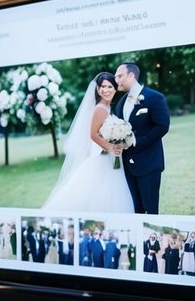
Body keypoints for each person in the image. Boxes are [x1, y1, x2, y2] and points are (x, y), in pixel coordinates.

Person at [41, 72, 134, 214]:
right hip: (101, 158)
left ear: (115, 89)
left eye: (110, 86)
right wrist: (110, 147)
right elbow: (93, 134)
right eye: (103, 86)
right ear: (98, 89)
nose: (106, 90)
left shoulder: (108, 108)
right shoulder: (100, 109)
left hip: (110, 158)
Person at [112, 63, 171, 214]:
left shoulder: (154, 97)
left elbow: (162, 126)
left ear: (131, 76)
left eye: (119, 76)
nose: (116, 79)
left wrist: (137, 142)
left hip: (149, 163)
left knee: (151, 210)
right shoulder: (120, 102)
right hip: (127, 166)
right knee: (135, 210)